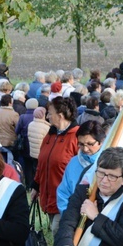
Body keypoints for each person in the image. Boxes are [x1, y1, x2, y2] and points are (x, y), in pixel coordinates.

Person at [31, 96, 79, 235]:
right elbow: (41, 162)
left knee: (59, 234)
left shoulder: (77, 137)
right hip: (49, 196)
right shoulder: (50, 135)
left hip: (66, 201)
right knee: (55, 233)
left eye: (50, 113)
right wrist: (36, 185)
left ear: (60, 115)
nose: (47, 116)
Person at [57, 120, 105, 214]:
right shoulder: (74, 162)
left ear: (101, 142)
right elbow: (63, 193)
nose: (85, 149)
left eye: (90, 144)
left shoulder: (109, 163)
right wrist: (68, 217)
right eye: (81, 144)